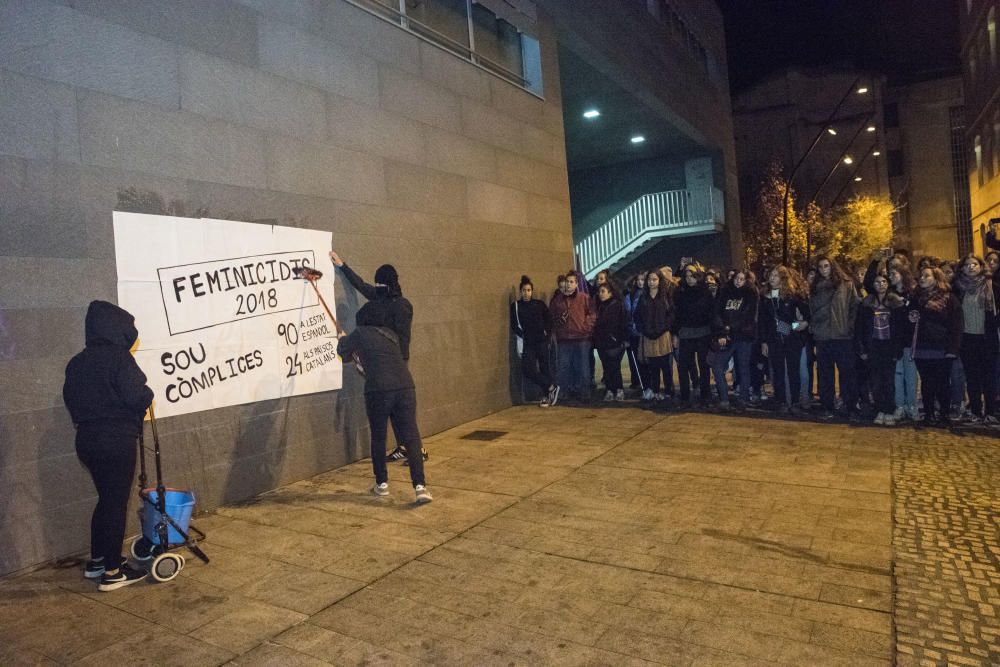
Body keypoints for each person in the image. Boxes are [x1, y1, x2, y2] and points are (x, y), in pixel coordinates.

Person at [63, 301, 153, 591]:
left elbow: (70, 399)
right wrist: (147, 393)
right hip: (115, 439)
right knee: (115, 504)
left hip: (86, 439)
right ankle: (113, 572)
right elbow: (135, 395)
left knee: (105, 500)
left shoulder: (77, 362)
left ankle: (99, 560)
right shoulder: (119, 358)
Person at [329, 250, 427, 465]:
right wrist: (342, 266)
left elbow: (402, 338)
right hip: (387, 361)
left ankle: (417, 449)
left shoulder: (401, 306)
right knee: (393, 407)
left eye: (380, 284)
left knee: (401, 410)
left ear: (386, 284)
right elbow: (363, 287)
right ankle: (405, 446)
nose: (377, 289)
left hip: (396, 360)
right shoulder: (385, 299)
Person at [337, 304, 432, 503]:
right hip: (405, 387)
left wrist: (343, 338)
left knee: (379, 437)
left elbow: (343, 351)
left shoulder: (361, 332)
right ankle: (420, 487)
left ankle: (382, 484)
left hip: (378, 390)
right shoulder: (391, 335)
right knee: (411, 437)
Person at [909, 266, 963, 427]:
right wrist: (911, 317)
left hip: (942, 347)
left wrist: (953, 348)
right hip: (922, 347)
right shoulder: (916, 298)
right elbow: (910, 319)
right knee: (927, 382)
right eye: (921, 276)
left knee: (942, 382)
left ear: (936, 278)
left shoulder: (949, 298)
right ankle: (929, 413)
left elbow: (957, 324)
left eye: (927, 276)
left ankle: (944, 414)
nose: (922, 279)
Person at [809, 257, 861, 418]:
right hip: (823, 335)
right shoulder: (815, 287)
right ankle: (827, 406)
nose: (824, 269)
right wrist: (815, 327)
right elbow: (811, 310)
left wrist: (849, 327)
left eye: (826, 266)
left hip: (842, 334)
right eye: (820, 266)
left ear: (832, 267)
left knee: (847, 373)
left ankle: (850, 404)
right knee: (825, 374)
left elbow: (854, 307)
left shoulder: (846, 284)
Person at [952, 254, 999, 424]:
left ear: (981, 266)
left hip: (987, 338)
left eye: (975, 264)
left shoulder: (991, 286)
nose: (971, 267)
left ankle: (991, 412)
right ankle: (976, 411)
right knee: (972, 377)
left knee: (989, 377)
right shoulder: (957, 288)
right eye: (967, 265)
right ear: (962, 268)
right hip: (967, 338)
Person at [856, 273, 906, 425]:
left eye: (884, 281)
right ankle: (879, 409)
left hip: (889, 346)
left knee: (889, 380)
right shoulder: (867, 303)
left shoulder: (896, 303)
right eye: (877, 282)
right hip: (873, 345)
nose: (881, 284)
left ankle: (889, 410)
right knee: (875, 380)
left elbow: (900, 329)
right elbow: (860, 328)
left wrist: (898, 349)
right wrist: (862, 349)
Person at [760, 266, 810, 414]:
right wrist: (763, 342)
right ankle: (781, 401)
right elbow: (762, 322)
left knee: (793, 371)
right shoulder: (764, 298)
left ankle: (794, 401)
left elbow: (807, 315)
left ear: (783, 279)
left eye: (776, 275)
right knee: (778, 371)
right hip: (774, 340)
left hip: (791, 339)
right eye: (771, 275)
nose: (772, 278)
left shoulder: (792, 296)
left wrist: (798, 325)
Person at [711, 269, 759, 408]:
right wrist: (722, 331)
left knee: (743, 367)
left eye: (742, 279)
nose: (738, 281)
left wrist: (730, 327)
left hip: (743, 335)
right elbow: (717, 312)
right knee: (718, 366)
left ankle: (744, 397)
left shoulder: (750, 293)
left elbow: (749, 316)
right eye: (736, 278)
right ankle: (724, 398)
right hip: (727, 336)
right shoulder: (725, 292)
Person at [510, 276, 559, 407]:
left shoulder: (539, 304)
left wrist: (546, 334)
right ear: (520, 292)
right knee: (528, 369)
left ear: (532, 291)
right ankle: (551, 386)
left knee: (545, 368)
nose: (526, 293)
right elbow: (514, 325)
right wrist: (524, 336)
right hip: (528, 343)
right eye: (524, 290)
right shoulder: (516, 306)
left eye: (529, 290)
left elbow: (549, 320)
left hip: (541, 341)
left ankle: (547, 395)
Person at [549, 272, 596, 402]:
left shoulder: (584, 298)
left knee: (583, 367)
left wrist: (585, 328)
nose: (569, 285)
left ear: (576, 284)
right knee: (563, 367)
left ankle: (584, 393)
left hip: (582, 339)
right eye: (567, 282)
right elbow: (551, 318)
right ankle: (563, 392)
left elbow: (592, 315)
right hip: (564, 339)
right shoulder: (557, 301)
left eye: (571, 282)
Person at [672, 263, 714, 406]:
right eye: (687, 276)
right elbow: (676, 314)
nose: (690, 279)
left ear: (698, 276)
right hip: (686, 333)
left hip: (703, 332)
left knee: (704, 366)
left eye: (692, 276)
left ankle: (705, 395)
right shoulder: (680, 293)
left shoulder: (705, 292)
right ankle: (685, 396)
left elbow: (711, 313)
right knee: (683, 366)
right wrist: (675, 333)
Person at [636, 269, 674, 401]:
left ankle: (669, 391)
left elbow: (671, 315)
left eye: (654, 279)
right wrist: (644, 330)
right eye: (649, 280)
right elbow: (637, 316)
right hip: (648, 336)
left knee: (666, 366)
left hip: (663, 335)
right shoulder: (643, 297)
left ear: (659, 280)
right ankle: (656, 391)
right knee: (653, 367)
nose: (651, 282)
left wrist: (664, 328)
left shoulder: (665, 296)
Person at [889, 265, 919, 421]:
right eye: (890, 273)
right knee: (897, 375)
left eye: (894, 273)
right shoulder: (890, 296)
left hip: (909, 341)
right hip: (895, 341)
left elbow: (914, 317)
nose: (891, 276)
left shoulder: (913, 295)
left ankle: (912, 405)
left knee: (911, 376)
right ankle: (900, 405)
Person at [593, 282, 629, 401]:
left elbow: (623, 323)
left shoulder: (617, 305)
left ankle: (618, 389)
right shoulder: (599, 306)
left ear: (610, 292)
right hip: (602, 342)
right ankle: (609, 390)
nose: (601, 294)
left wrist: (621, 339)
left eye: (603, 291)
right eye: (599, 292)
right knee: (606, 367)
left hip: (614, 342)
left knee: (614, 367)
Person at [624, 271, 648, 391]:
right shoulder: (630, 295)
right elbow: (627, 314)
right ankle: (636, 381)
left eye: (643, 280)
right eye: (638, 280)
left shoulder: (649, 294)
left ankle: (647, 383)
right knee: (633, 361)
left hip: (645, 332)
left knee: (645, 359)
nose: (640, 282)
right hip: (632, 332)